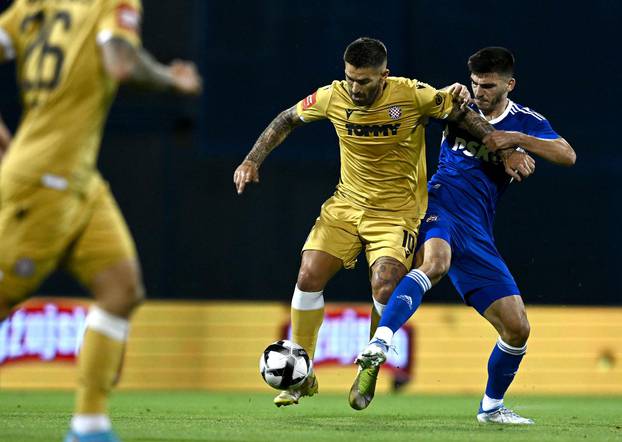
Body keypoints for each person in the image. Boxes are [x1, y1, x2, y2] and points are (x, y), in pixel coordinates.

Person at [233, 37, 516, 407]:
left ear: (384, 76)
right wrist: (252, 159)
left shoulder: (412, 95)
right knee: (308, 274)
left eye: (364, 81)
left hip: (397, 212)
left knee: (384, 284)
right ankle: (301, 373)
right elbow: (286, 119)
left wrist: (505, 150)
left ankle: (369, 369)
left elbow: (460, 113)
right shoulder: (332, 97)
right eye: (350, 78)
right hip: (346, 205)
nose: (355, 88)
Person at [0, 1, 202, 440]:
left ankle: (89, 427)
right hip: (42, 179)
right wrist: (173, 79)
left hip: (79, 179)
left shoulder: (30, 7)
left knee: (121, 289)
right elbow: (121, 64)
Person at [352, 47, 576, 423]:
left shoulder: (525, 120)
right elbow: (414, 103)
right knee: (436, 261)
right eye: (474, 83)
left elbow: (567, 155)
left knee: (517, 327)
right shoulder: (458, 104)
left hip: (478, 229)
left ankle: (490, 408)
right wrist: (444, 91)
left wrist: (516, 140)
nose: (479, 91)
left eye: (487, 86)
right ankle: (381, 342)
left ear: (509, 84)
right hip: (440, 200)